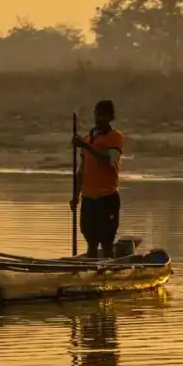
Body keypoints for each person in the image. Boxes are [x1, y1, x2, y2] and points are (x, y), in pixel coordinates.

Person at [71, 100, 124, 258]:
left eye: (104, 115)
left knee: (107, 243)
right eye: (98, 114)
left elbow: (109, 161)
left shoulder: (115, 137)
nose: (100, 118)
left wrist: (85, 147)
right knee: (91, 243)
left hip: (107, 198)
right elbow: (81, 171)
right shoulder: (87, 138)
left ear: (111, 117)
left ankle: (109, 275)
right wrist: (75, 196)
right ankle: (91, 276)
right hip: (89, 199)